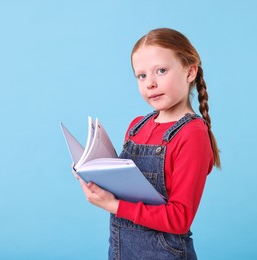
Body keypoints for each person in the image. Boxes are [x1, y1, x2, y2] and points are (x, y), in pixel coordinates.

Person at [73, 28, 221, 259]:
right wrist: (95, 178)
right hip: (121, 251)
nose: (150, 83)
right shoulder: (136, 126)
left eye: (161, 71)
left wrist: (113, 206)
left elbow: (179, 219)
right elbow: (126, 190)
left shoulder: (192, 134)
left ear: (190, 71)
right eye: (141, 75)